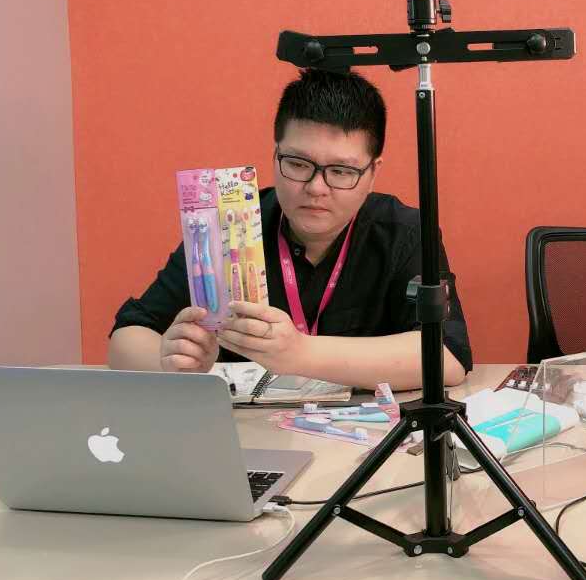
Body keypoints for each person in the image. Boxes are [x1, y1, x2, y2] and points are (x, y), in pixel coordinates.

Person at [107, 68, 471, 390]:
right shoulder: (225, 228)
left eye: (341, 171)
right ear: (275, 155)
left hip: (367, 434)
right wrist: (171, 362)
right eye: (298, 164)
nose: (316, 187)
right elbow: (126, 336)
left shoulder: (405, 232)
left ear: (373, 172)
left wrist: (300, 353)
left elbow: (448, 356)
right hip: (247, 434)